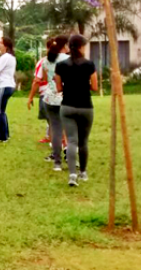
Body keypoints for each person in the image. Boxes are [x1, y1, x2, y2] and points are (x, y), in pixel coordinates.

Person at [55, 35, 97, 187]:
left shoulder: (61, 65)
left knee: (71, 141)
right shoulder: (89, 64)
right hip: (86, 106)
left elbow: (59, 88)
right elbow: (95, 86)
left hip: (67, 106)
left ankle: (72, 175)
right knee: (83, 142)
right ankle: (83, 172)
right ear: (80, 47)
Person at [40, 35, 70, 171]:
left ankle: (57, 162)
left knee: (56, 130)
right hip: (66, 97)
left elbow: (45, 78)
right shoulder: (69, 59)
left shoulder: (46, 60)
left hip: (49, 98)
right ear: (64, 46)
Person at [0, 37, 17, 142]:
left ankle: (1, 136)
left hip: (3, 86)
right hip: (9, 85)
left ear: (5, 45)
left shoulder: (5, 57)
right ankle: (6, 134)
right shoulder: (11, 57)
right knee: (2, 111)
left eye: (0, 42)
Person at [27, 38, 54, 144]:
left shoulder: (43, 62)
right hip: (57, 93)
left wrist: (30, 97)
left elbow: (36, 81)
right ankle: (51, 137)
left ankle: (55, 140)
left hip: (46, 93)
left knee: (52, 119)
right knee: (53, 118)